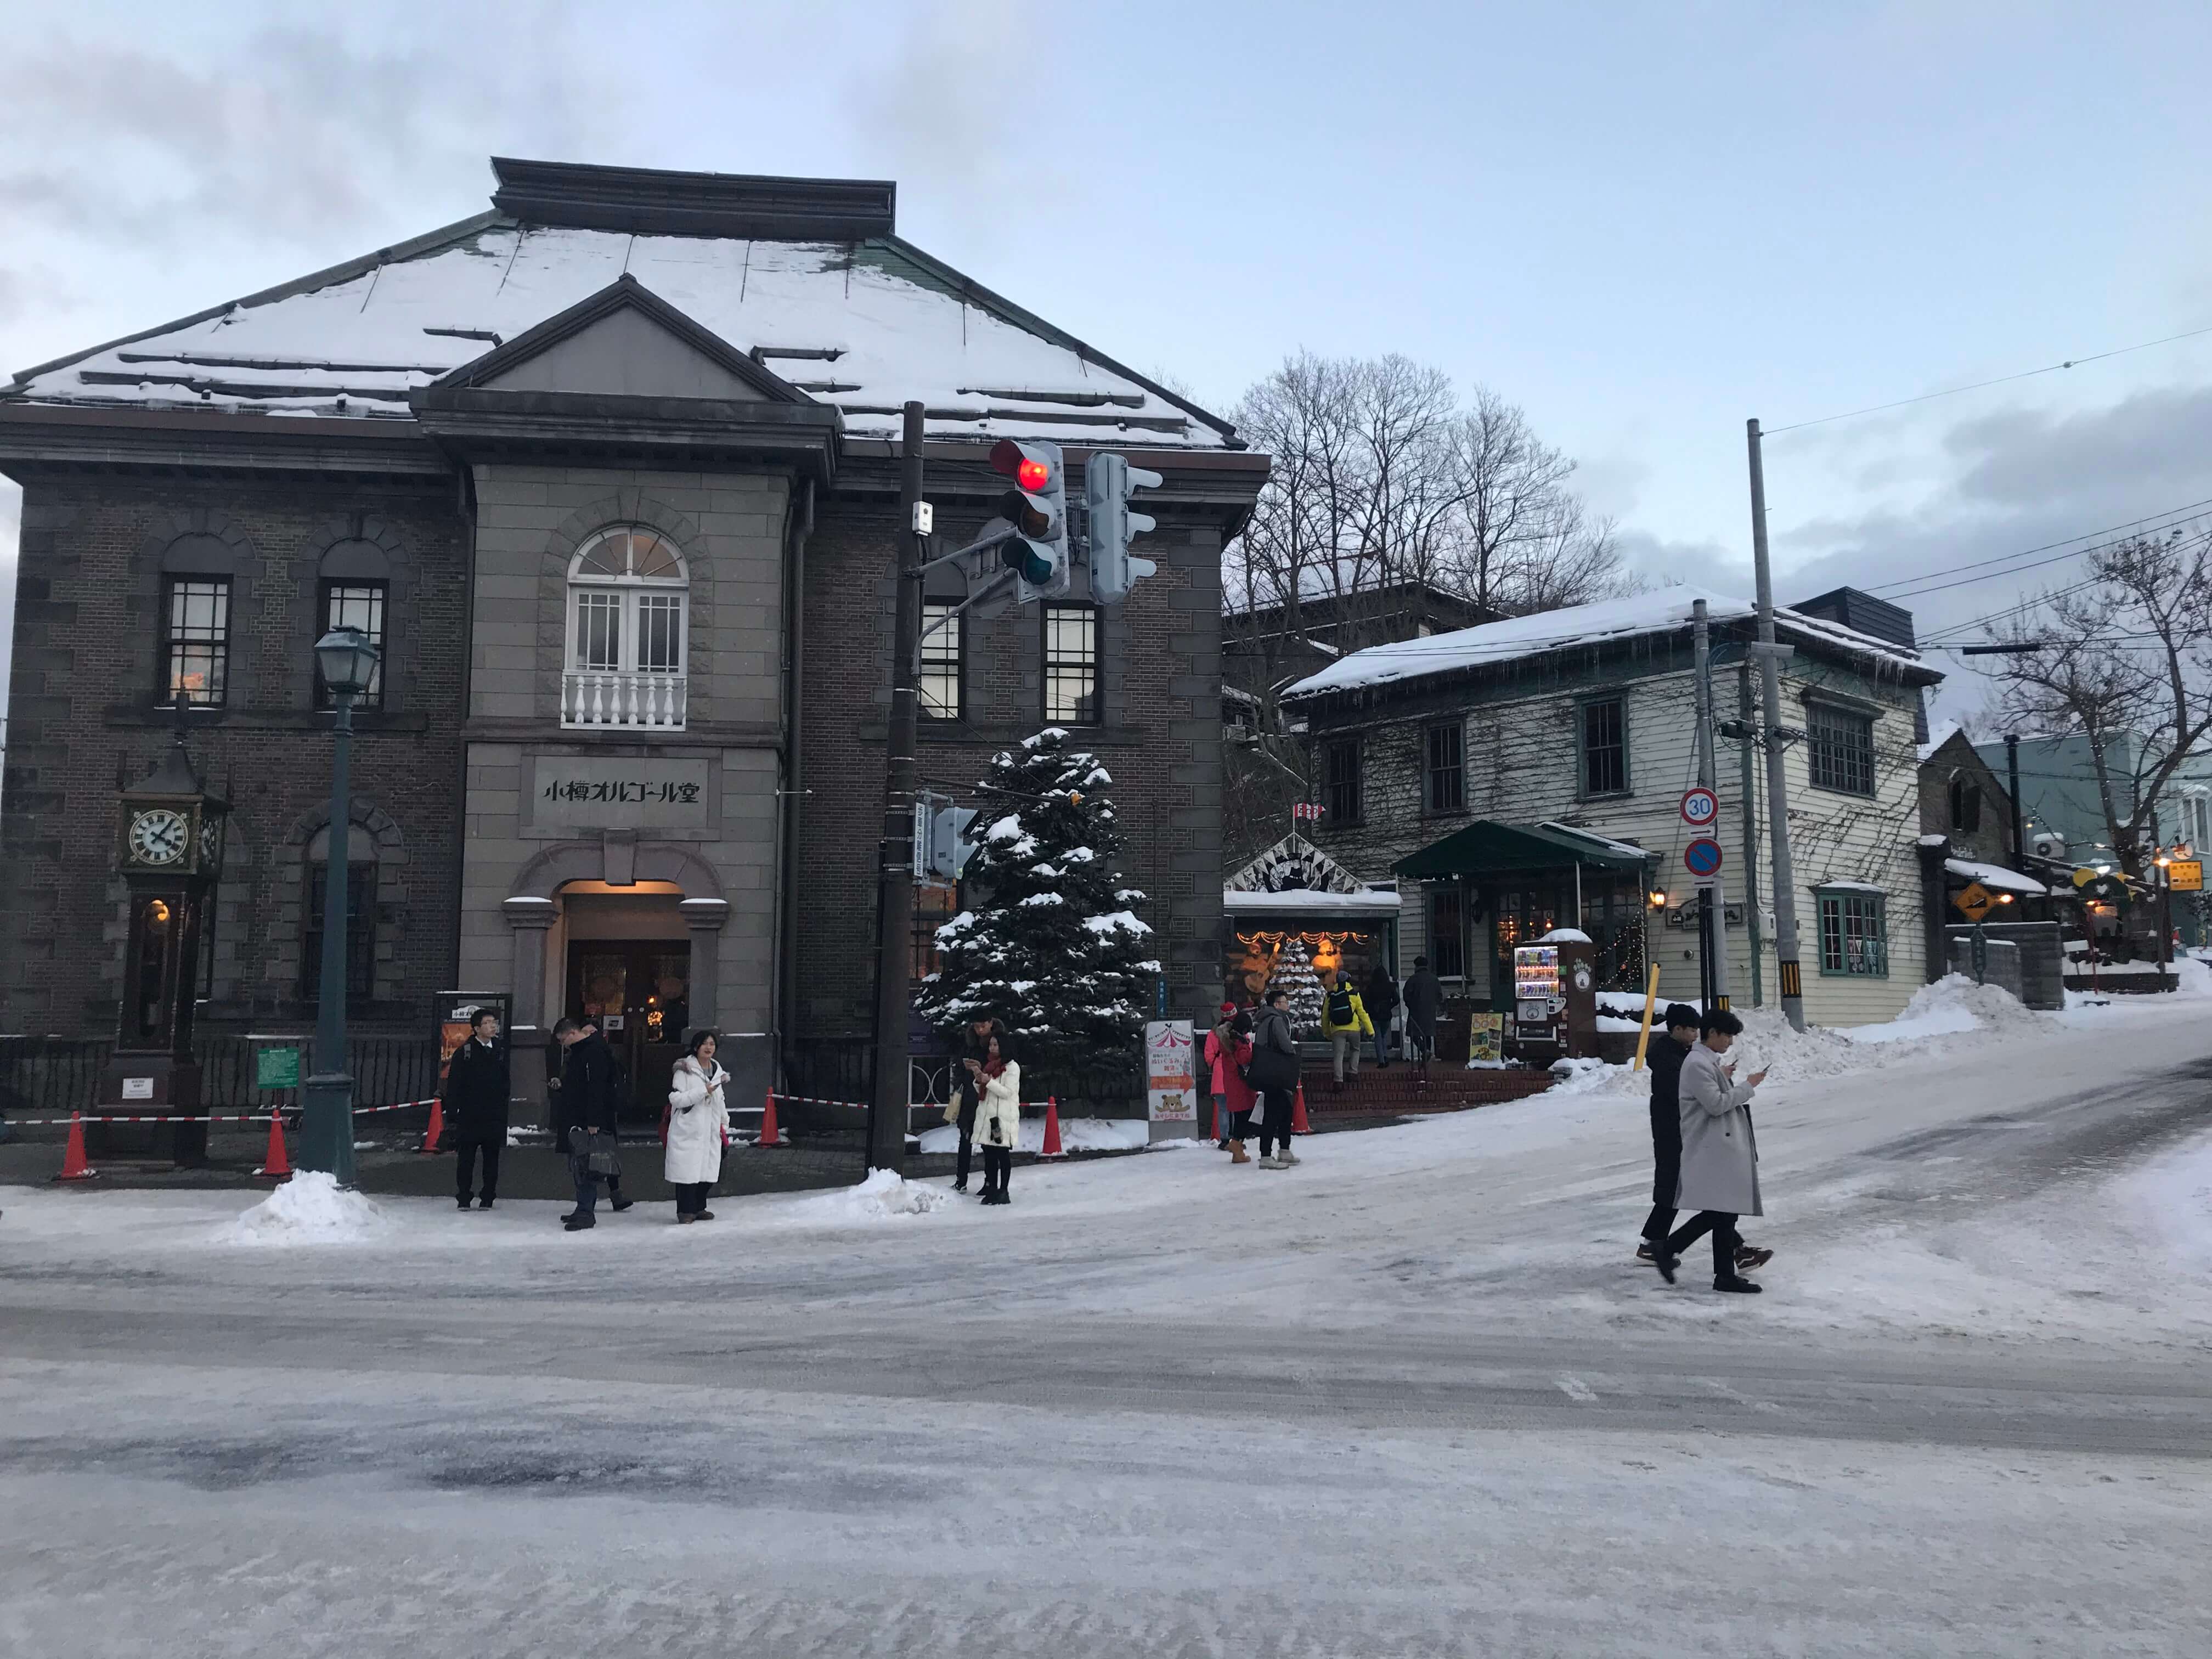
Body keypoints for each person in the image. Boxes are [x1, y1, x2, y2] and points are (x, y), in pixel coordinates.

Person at [1649, 1009, 1769, 1293]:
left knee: (1725, 1213)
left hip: (1717, 1145)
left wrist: (1725, 1076)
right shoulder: (1697, 1064)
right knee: (1721, 1212)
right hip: (1711, 1146)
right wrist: (1747, 1087)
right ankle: (1667, 1248)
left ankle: (1723, 1273)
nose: (1729, 1041)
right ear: (1712, 1033)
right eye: (1726, 1035)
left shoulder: (1705, 1062)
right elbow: (1716, 1104)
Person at [551, 1016, 629, 1231]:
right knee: (579, 1165)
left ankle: (586, 1212)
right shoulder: (583, 1051)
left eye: (562, 1039)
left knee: (586, 1165)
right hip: (577, 1116)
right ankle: (582, 1208)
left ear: (572, 1034)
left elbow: (596, 1088)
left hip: (585, 1118)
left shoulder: (593, 1052)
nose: (562, 1044)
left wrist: (593, 1120)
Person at [1635, 1004, 1701, 1260]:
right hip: (1672, 1130)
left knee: (1676, 1188)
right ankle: (1737, 1249)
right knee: (1679, 1187)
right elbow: (1682, 1092)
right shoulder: (1666, 1057)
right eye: (1692, 1030)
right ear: (1677, 1029)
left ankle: (1652, 1242)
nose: (1696, 1035)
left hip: (1682, 1129)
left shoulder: (1682, 1052)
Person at [443, 1008, 510, 1210]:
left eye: (494, 1022)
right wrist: (453, 1112)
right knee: (466, 1159)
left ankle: (488, 1196)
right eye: (488, 1023)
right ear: (476, 1028)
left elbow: (505, 1081)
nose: (493, 1026)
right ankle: (464, 1196)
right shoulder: (465, 1052)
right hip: (470, 1115)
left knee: (492, 1159)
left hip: (493, 1115)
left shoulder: (500, 1050)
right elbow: (454, 1084)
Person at [664, 1029, 729, 1223]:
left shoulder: (717, 1070)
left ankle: (700, 1207)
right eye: (705, 1044)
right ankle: (685, 1211)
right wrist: (703, 1091)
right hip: (689, 1127)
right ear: (696, 1047)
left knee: (708, 1172)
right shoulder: (685, 1069)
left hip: (710, 1129)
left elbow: (720, 1098)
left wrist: (724, 1121)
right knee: (687, 1173)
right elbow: (676, 1099)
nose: (709, 1048)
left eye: (712, 1044)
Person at [1248, 987, 1303, 1169]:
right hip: (1276, 1072)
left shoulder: (1266, 1019)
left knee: (1285, 1110)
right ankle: (1266, 1155)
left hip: (1270, 1071)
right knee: (1273, 1114)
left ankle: (1284, 1150)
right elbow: (1285, 1044)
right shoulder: (1277, 1020)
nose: (1288, 1005)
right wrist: (1293, 1053)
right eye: (1285, 1002)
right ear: (1277, 1004)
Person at [967, 1030, 1022, 1205]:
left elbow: (1008, 1092)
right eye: (991, 1044)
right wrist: (978, 1080)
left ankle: (1003, 1190)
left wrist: (988, 1081)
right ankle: (991, 1188)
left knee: (1001, 1153)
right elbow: (983, 1092)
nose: (992, 1047)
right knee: (989, 1153)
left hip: (1000, 1119)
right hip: (989, 1117)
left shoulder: (1012, 1068)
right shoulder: (990, 1065)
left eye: (995, 1044)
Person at [950, 1016, 1001, 1194]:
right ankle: (961, 1180)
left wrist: (982, 1068)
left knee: (992, 1143)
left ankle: (992, 1183)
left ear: (991, 1024)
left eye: (983, 1025)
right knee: (965, 1140)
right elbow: (957, 1066)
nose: (980, 1029)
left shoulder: (998, 1043)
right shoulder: (969, 1044)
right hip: (970, 1101)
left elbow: (1004, 1068)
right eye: (977, 1026)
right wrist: (963, 1069)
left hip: (992, 1101)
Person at [1319, 972, 1374, 1087]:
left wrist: (1327, 1033)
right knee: (1355, 1050)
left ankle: (1338, 1081)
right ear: (1349, 981)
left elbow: (1325, 1016)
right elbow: (1362, 1013)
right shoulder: (1354, 994)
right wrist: (1370, 1030)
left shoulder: (1330, 995)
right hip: (1354, 1028)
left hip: (1337, 1029)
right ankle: (1353, 1073)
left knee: (1338, 1055)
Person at [1402, 955, 1443, 1067]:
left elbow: (1406, 995)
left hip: (1416, 1011)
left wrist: (1411, 1005)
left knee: (1414, 1034)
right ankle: (1427, 1055)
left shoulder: (1413, 979)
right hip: (1430, 1011)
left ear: (1416, 966)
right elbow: (1439, 996)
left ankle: (1425, 1052)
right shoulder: (1434, 979)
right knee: (1428, 1034)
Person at [1364, 960, 1399, 1069]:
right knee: (1383, 1037)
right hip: (1386, 1015)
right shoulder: (1389, 986)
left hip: (1375, 1015)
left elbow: (1366, 1001)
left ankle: (1381, 1060)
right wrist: (1389, 1006)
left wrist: (1370, 1010)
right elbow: (1397, 999)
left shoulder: (1371, 987)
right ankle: (1385, 1056)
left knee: (1378, 1038)